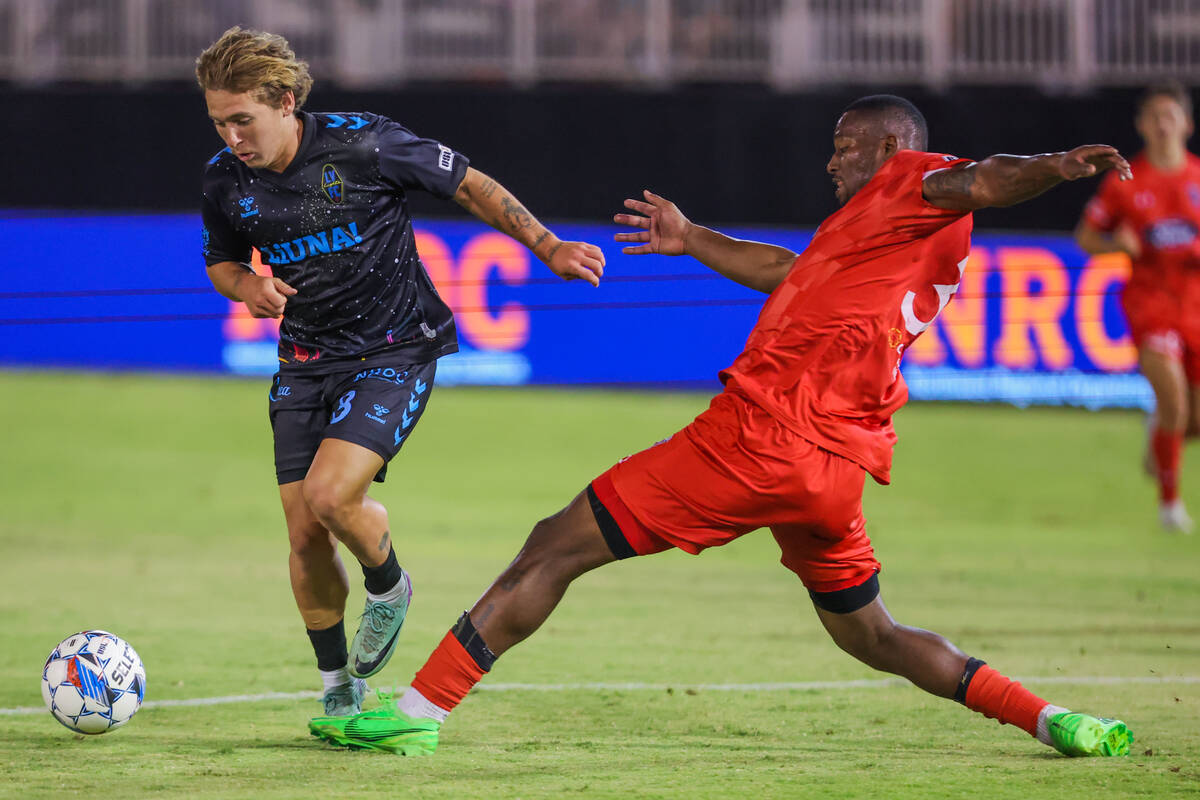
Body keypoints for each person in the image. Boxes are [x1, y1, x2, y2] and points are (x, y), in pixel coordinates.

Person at [309, 95, 1134, 758]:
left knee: (554, 544)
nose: (831, 158)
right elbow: (786, 272)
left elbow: (986, 178)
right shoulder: (892, 234)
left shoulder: (914, 178)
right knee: (872, 634)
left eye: (846, 144)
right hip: (835, 467)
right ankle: (1050, 719)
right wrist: (692, 236)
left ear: (891, 149)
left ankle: (418, 710)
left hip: (763, 437)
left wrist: (1057, 167)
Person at [195, 27, 605, 719]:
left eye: (244, 119)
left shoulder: (365, 143)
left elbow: (469, 185)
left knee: (330, 495)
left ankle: (387, 585)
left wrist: (547, 244)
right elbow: (222, 262)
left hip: (394, 349)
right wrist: (247, 289)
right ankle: (338, 688)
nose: (233, 136)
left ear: (286, 102)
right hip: (304, 360)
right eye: (219, 122)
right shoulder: (225, 181)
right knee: (303, 535)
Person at [1076, 82, 1200, 533]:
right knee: (1173, 401)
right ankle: (1170, 507)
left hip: (1197, 307)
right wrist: (1116, 243)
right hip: (1151, 306)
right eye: (1155, 116)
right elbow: (1086, 237)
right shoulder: (1126, 183)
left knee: (1191, 418)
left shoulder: (1198, 178)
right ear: (1142, 125)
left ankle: (1159, 435)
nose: (1163, 124)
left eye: (1171, 115)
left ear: (1186, 123)